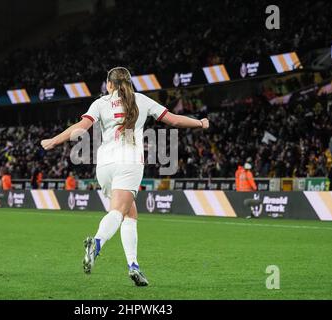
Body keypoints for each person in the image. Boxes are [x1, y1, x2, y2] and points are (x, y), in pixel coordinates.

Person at [41, 67, 209, 286]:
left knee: (130, 214)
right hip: (129, 162)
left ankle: (133, 266)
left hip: (104, 165)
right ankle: (97, 244)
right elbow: (174, 121)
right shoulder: (142, 100)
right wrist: (200, 123)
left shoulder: (100, 103)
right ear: (130, 83)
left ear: (109, 84)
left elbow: (81, 128)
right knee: (119, 212)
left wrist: (54, 140)